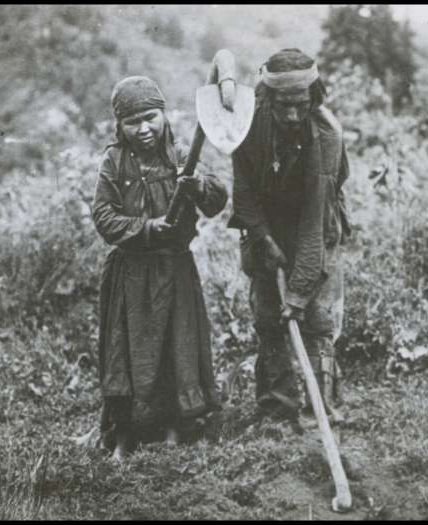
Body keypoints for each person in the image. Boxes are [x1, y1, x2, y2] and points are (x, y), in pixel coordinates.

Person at [92, 76, 227, 461]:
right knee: (127, 353)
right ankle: (124, 437)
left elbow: (217, 200)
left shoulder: (183, 155)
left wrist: (198, 185)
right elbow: (103, 216)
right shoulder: (113, 161)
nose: (143, 129)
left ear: (164, 115)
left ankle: (173, 430)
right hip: (130, 274)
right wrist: (148, 227)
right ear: (120, 126)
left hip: (174, 270)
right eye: (132, 122)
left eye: (150, 117)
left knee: (175, 348)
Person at [228, 49, 351, 424]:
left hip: (315, 220)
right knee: (268, 316)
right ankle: (278, 407)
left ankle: (322, 409)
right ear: (268, 98)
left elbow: (314, 223)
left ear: (313, 97)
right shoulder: (246, 122)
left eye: (302, 105)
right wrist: (263, 237)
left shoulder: (326, 134)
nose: (293, 115)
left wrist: (297, 293)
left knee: (314, 316)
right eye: (284, 106)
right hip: (265, 220)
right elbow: (244, 188)